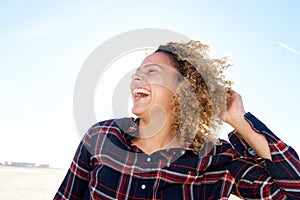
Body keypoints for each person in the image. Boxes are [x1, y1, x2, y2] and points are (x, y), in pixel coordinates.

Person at [54, 40, 300, 199]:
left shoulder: (217, 159)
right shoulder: (102, 137)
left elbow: (293, 193)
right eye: (137, 73)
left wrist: (239, 121)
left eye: (152, 72)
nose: (136, 78)